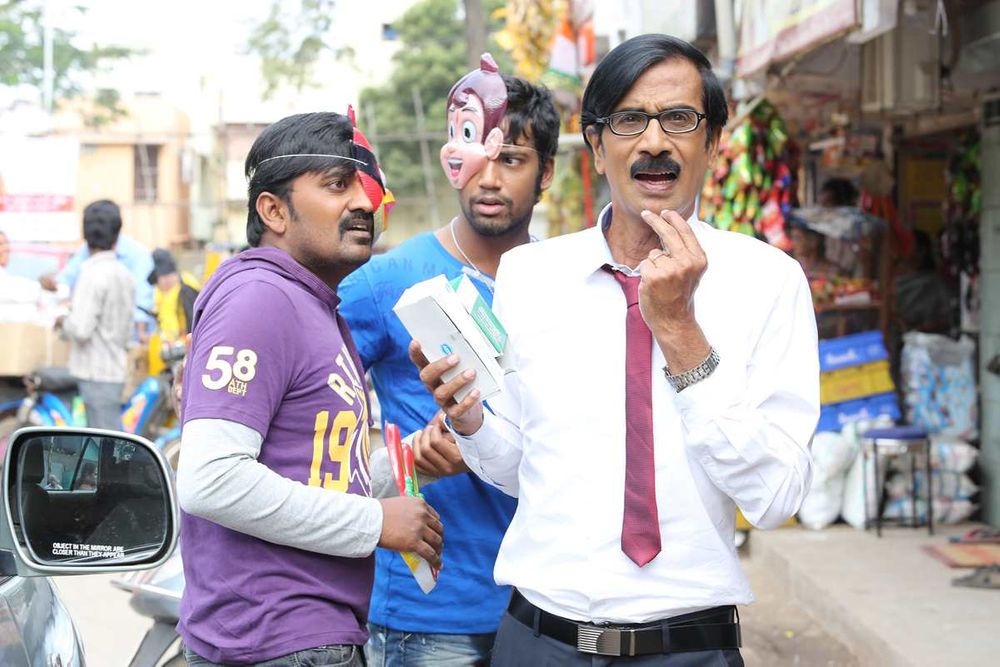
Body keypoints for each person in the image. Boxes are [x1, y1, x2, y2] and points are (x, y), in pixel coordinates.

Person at [413, 34, 819, 665]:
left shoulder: (768, 281)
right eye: (629, 120)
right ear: (597, 147)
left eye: (679, 119)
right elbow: (522, 468)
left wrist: (680, 331)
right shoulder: (531, 276)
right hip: (540, 641)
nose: (654, 141)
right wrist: (469, 421)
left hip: (691, 649)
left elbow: (776, 497)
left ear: (713, 144)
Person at [175, 111, 443, 667]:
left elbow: (317, 469)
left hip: (304, 636)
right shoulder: (260, 297)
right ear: (273, 210)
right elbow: (211, 480)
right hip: (278, 638)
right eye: (337, 185)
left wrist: (418, 456)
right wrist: (377, 522)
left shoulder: (312, 304)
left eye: (365, 187)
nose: (364, 203)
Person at [339, 58, 559, 666]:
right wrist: (405, 462)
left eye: (511, 159)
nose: (489, 178)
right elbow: (309, 422)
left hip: (550, 606)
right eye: (475, 154)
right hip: (427, 614)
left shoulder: (565, 284)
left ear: (546, 173)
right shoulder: (384, 281)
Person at [55, 200, 135, 431]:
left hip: (95, 375)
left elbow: (80, 329)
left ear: (85, 235)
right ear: (117, 235)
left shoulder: (91, 275)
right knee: (109, 441)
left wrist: (62, 320)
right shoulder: (125, 274)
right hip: (115, 371)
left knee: (101, 446)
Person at [40, 226, 154, 340]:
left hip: (129, 333)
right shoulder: (86, 252)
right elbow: (68, 276)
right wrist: (57, 282)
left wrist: (141, 330)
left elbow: (142, 294)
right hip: (99, 332)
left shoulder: (136, 255)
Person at [147, 247, 200, 343]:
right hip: (167, 341)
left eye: (165, 277)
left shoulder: (187, 285)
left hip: (185, 341)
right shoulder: (159, 290)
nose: (163, 282)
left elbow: (194, 317)